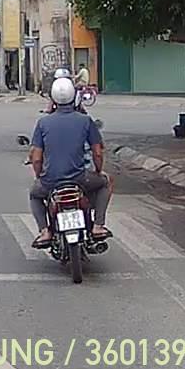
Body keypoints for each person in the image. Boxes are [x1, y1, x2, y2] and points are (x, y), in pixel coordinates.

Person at [27, 77, 112, 248]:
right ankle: (98, 225)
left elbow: (36, 158)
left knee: (34, 194)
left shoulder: (43, 123)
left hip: (50, 181)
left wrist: (39, 176)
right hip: (80, 178)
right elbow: (97, 152)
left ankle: (44, 231)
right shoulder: (85, 120)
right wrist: (98, 171)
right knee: (106, 183)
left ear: (53, 98)